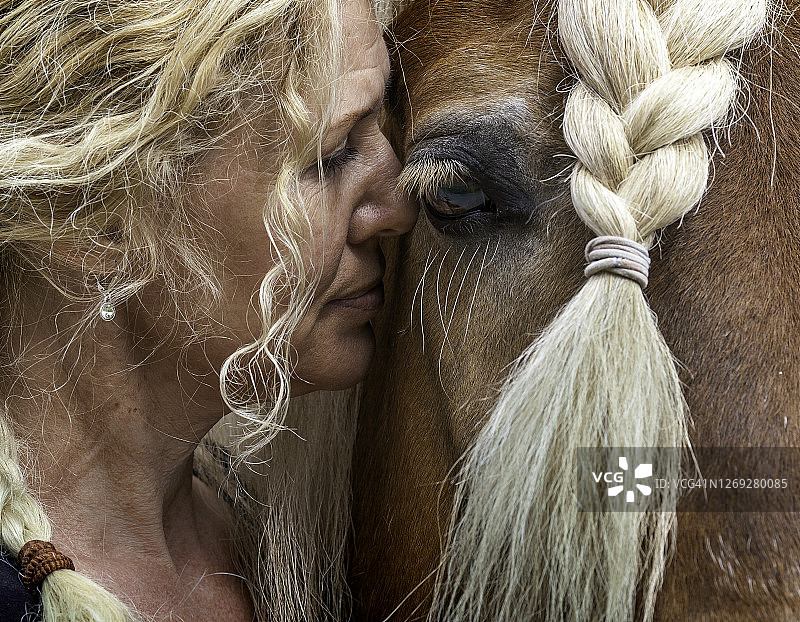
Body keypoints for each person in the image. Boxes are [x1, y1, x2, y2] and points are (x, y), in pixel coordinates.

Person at [0, 0, 415, 618]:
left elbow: (603, 492)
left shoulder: (302, 543)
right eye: (328, 158)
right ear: (91, 220)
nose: (399, 210)